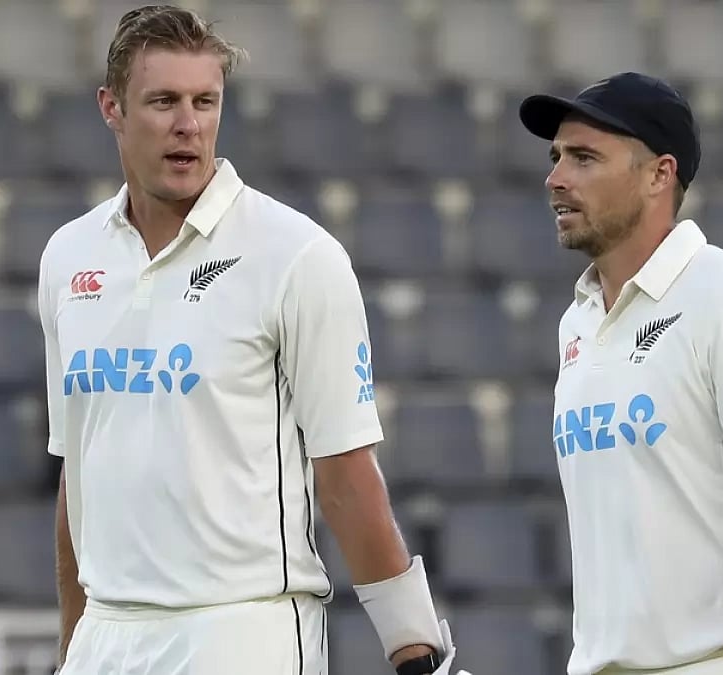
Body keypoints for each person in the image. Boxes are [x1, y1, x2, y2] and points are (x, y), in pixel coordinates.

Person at [39, 5, 466, 674]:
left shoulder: (296, 257)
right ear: (111, 108)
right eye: (163, 102)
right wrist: (74, 646)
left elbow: (348, 477)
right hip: (108, 634)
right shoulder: (67, 258)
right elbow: (79, 473)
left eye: (205, 101)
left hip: (241, 631)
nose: (188, 124)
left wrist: (414, 650)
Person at [518, 72, 723, 675]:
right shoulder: (576, 325)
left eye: (583, 158)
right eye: (556, 157)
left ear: (660, 174)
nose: (555, 178)